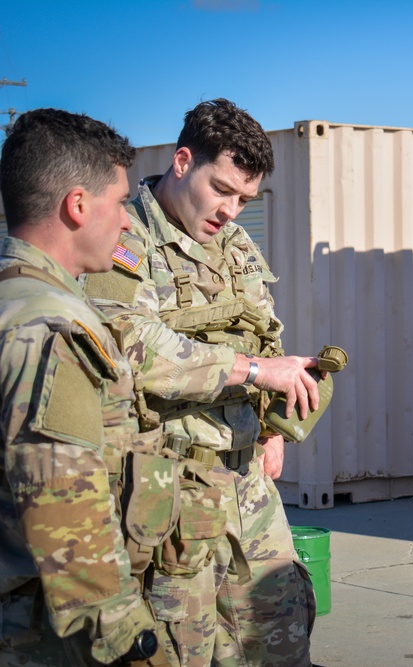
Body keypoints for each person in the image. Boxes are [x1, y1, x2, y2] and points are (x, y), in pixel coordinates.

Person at [83, 99, 319, 667]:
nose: (232, 210)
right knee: (179, 649)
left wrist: (272, 428)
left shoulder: (234, 245)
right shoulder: (123, 239)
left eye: (244, 198)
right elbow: (133, 349)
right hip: (169, 493)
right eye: (222, 190)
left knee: (280, 637)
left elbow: (265, 332)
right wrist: (258, 371)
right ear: (184, 161)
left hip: (248, 485)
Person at [0, 109, 168, 665]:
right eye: (120, 203)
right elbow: (66, 515)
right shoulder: (52, 329)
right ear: (76, 205)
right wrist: (131, 644)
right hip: (40, 637)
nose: (127, 223)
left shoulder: (14, 301)